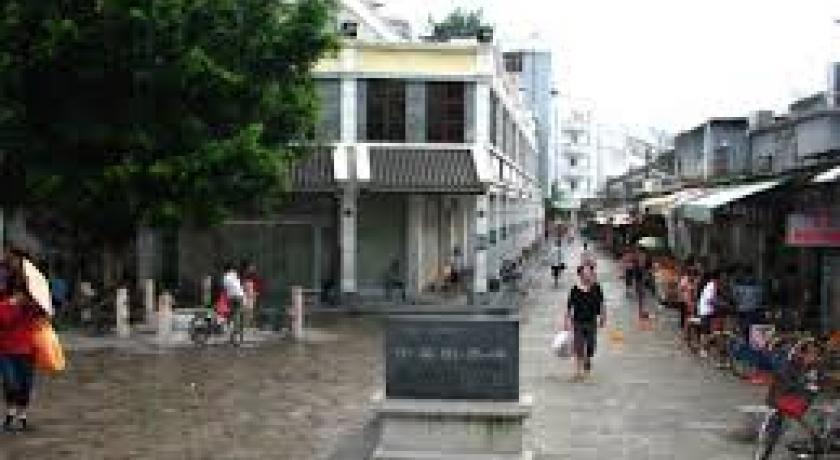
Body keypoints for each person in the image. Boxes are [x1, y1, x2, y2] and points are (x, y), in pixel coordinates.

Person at [0, 250, 42, 432]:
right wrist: (10, 305)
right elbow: (3, 321)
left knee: (25, 384)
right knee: (11, 383)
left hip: (27, 349)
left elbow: (42, 317)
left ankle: (22, 416)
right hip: (6, 349)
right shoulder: (4, 303)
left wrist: (30, 305)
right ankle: (10, 415)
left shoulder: (33, 305)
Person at [562, 265, 606, 381]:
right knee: (579, 345)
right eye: (585, 273)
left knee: (591, 345)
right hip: (578, 321)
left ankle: (588, 359)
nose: (587, 275)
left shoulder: (597, 288)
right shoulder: (575, 289)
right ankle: (578, 372)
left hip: (592, 321)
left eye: (589, 273)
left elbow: (602, 303)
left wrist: (603, 317)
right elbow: (569, 306)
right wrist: (566, 321)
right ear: (580, 275)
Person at [696, 270, 720, 358]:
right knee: (705, 331)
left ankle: (708, 346)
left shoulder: (713, 285)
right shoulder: (711, 286)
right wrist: (719, 304)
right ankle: (702, 349)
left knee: (711, 330)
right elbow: (709, 299)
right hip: (705, 311)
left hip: (709, 310)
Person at [222, 263, 246, 344]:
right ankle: (237, 333)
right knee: (238, 314)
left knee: (232, 314)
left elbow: (225, 289)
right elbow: (238, 285)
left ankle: (232, 333)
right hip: (239, 296)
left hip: (231, 297)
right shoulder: (234, 274)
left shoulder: (225, 277)